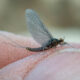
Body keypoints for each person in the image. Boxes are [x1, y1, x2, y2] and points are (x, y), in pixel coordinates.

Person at [0, 31, 80, 80]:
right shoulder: (55, 42)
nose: (61, 41)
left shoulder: (56, 42)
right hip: (44, 48)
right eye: (61, 40)